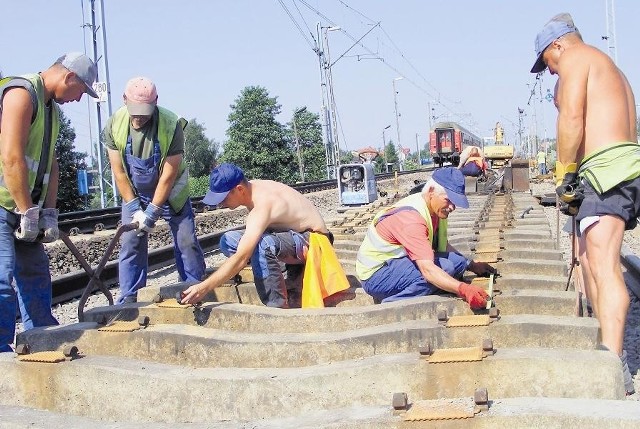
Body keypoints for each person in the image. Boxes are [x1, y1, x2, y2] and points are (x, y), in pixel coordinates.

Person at [531, 12, 638, 394]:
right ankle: (604, 345)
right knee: (591, 259)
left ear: (558, 45)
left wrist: (564, 175)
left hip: (606, 171)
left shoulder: (578, 58)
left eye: (549, 64)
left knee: (605, 264)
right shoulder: (609, 67)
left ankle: (613, 363)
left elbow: (572, 118)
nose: (553, 73)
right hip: (616, 168)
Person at [0, 52, 98, 352]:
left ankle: (41, 339)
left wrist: (49, 212)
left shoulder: (51, 109)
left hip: (24, 207)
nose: (78, 99)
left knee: (35, 275)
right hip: (5, 204)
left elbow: (51, 163)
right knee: (2, 282)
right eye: (81, 91)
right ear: (69, 77)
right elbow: (12, 158)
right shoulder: (21, 94)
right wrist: (27, 210)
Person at [105, 77, 205, 304]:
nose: (139, 116)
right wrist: (134, 207)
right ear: (124, 100)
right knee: (131, 242)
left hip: (171, 192)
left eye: (145, 110)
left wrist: (152, 212)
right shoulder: (115, 124)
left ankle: (194, 289)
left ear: (156, 102)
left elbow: (169, 174)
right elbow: (119, 172)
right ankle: (130, 299)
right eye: (135, 110)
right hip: (135, 193)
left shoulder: (171, 124)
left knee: (186, 240)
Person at [181, 163, 335, 308]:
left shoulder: (262, 205)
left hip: (315, 241)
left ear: (239, 189)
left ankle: (277, 305)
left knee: (263, 244)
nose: (220, 204)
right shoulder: (252, 188)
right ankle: (278, 271)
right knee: (228, 240)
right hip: (291, 234)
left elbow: (241, 258)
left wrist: (204, 287)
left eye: (224, 198)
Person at [355, 167, 495, 308]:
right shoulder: (411, 219)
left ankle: (437, 284)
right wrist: (463, 289)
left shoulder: (436, 210)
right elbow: (427, 269)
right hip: (377, 275)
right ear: (431, 191)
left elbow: (443, 245)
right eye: (448, 200)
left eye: (455, 202)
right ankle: (391, 302)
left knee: (459, 262)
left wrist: (472, 265)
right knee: (446, 268)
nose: (452, 207)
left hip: (399, 261)